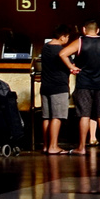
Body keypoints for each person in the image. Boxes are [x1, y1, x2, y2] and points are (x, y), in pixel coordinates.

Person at [61, 20, 100, 153]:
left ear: (83, 29)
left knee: (84, 115)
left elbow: (62, 54)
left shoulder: (80, 42)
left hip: (84, 83)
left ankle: (81, 147)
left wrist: (72, 66)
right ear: (98, 30)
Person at [38, 25, 77, 154]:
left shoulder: (46, 48)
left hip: (45, 86)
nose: (68, 40)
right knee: (57, 116)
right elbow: (70, 67)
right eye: (67, 37)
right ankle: (53, 146)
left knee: (46, 117)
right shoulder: (61, 51)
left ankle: (46, 145)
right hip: (59, 86)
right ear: (62, 37)